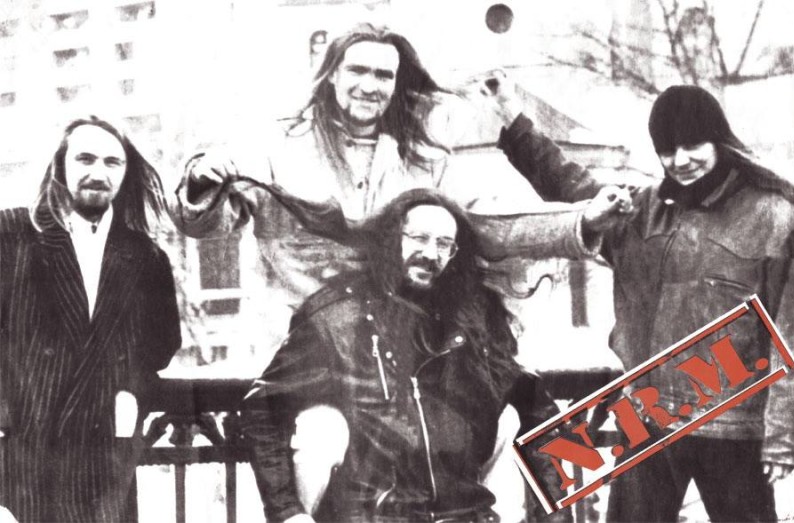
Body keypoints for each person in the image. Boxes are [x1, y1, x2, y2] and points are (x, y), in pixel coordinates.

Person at [170, 22, 611, 521]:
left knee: (491, 428)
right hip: (317, 357)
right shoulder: (278, 147)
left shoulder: (421, 158)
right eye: (357, 70)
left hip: (403, 355)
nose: (370, 85)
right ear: (331, 75)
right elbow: (208, 221)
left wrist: (580, 223)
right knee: (320, 436)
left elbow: (485, 225)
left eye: (384, 75)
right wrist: (202, 181)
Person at [240, 188, 581, 523]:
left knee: (508, 417)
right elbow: (263, 407)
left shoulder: (471, 320)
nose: (431, 254)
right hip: (370, 516)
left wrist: (556, 514)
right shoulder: (337, 318)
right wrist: (288, 513)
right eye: (419, 238)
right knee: (319, 423)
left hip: (462, 515)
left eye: (444, 244)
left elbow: (536, 407)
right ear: (391, 240)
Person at [570, 85, 794, 521]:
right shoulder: (643, 210)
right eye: (667, 150)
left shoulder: (776, 216)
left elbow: (792, 337)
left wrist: (783, 439)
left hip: (734, 427)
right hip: (648, 417)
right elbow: (571, 185)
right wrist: (510, 117)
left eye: (693, 145)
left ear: (720, 140)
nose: (680, 160)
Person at [0, 116, 182, 522]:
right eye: (85, 159)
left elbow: (161, 347)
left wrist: (127, 397)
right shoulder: (11, 234)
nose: (98, 173)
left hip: (103, 457)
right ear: (60, 165)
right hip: (21, 456)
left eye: (112, 162)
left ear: (125, 172)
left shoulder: (147, 258)